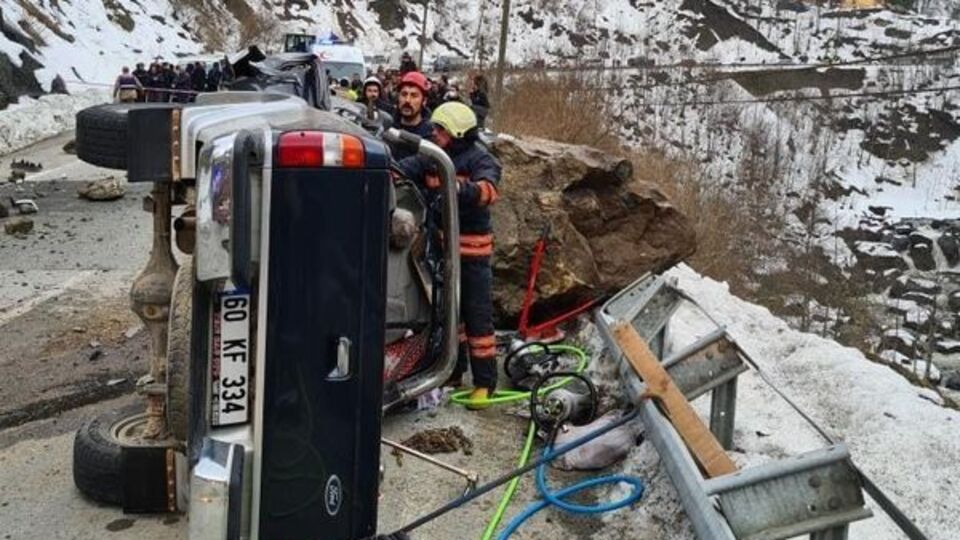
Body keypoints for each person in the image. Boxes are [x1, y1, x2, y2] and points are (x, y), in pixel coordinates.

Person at [395, 102, 501, 408]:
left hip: (472, 255)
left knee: (477, 317)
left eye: (440, 129)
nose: (433, 132)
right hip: (443, 253)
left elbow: (488, 191)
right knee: (448, 314)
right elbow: (407, 168)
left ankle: (485, 383)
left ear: (455, 132)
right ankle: (454, 372)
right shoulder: (433, 158)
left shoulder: (480, 159)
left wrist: (457, 188)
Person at [390, 71, 433, 160]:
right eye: (404, 94)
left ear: (424, 101)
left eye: (414, 95)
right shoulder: (389, 126)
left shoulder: (430, 134)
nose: (407, 100)